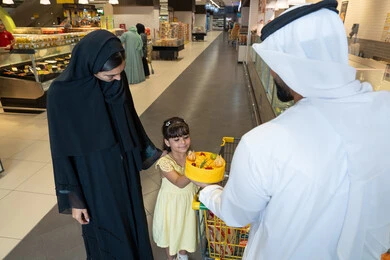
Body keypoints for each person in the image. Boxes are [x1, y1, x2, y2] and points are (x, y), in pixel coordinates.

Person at [196, 1, 390, 260]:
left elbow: (236, 214)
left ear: (285, 65)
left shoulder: (264, 143)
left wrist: (208, 189)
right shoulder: (384, 112)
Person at [47, 29, 162, 259]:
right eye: (111, 76)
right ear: (91, 66)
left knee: (132, 220)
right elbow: (60, 151)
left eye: (121, 73)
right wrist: (75, 198)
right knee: (108, 228)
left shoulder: (117, 79)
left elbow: (130, 118)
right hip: (93, 174)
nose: (118, 79)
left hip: (124, 166)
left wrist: (149, 152)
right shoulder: (61, 94)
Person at [153, 117, 198, 260]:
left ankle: (183, 255)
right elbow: (179, 182)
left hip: (189, 203)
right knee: (171, 233)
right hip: (171, 206)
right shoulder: (165, 162)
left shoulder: (192, 156)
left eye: (185, 137)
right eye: (176, 140)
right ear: (167, 142)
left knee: (186, 231)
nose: (183, 143)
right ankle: (171, 258)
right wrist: (198, 170)